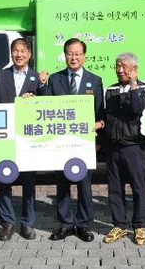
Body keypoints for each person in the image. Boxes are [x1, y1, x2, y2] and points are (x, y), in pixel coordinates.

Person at [38, 38, 105, 242]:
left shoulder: (95, 80)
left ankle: (84, 225)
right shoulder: (55, 79)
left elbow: (99, 111)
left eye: (77, 54)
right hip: (61, 142)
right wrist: (41, 85)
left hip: (85, 142)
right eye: (69, 53)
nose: (73, 57)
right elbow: (45, 104)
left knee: (85, 185)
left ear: (84, 56)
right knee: (62, 185)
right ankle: (66, 223)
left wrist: (99, 135)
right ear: (64, 55)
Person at [101, 53, 145, 246]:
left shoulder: (144, 89)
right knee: (115, 188)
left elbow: (137, 109)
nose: (120, 70)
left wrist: (133, 85)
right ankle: (119, 225)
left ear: (134, 69)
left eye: (124, 66)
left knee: (138, 187)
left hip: (134, 146)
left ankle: (139, 225)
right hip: (113, 146)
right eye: (118, 66)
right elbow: (105, 115)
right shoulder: (110, 89)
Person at [0, 38, 40, 241]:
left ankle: (28, 223)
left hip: (29, 136)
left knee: (29, 182)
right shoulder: (0, 75)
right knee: (4, 178)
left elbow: (46, 104)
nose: (19, 54)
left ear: (29, 54)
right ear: (11, 54)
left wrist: (36, 98)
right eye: (15, 51)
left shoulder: (37, 77)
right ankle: (7, 223)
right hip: (6, 135)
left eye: (23, 51)